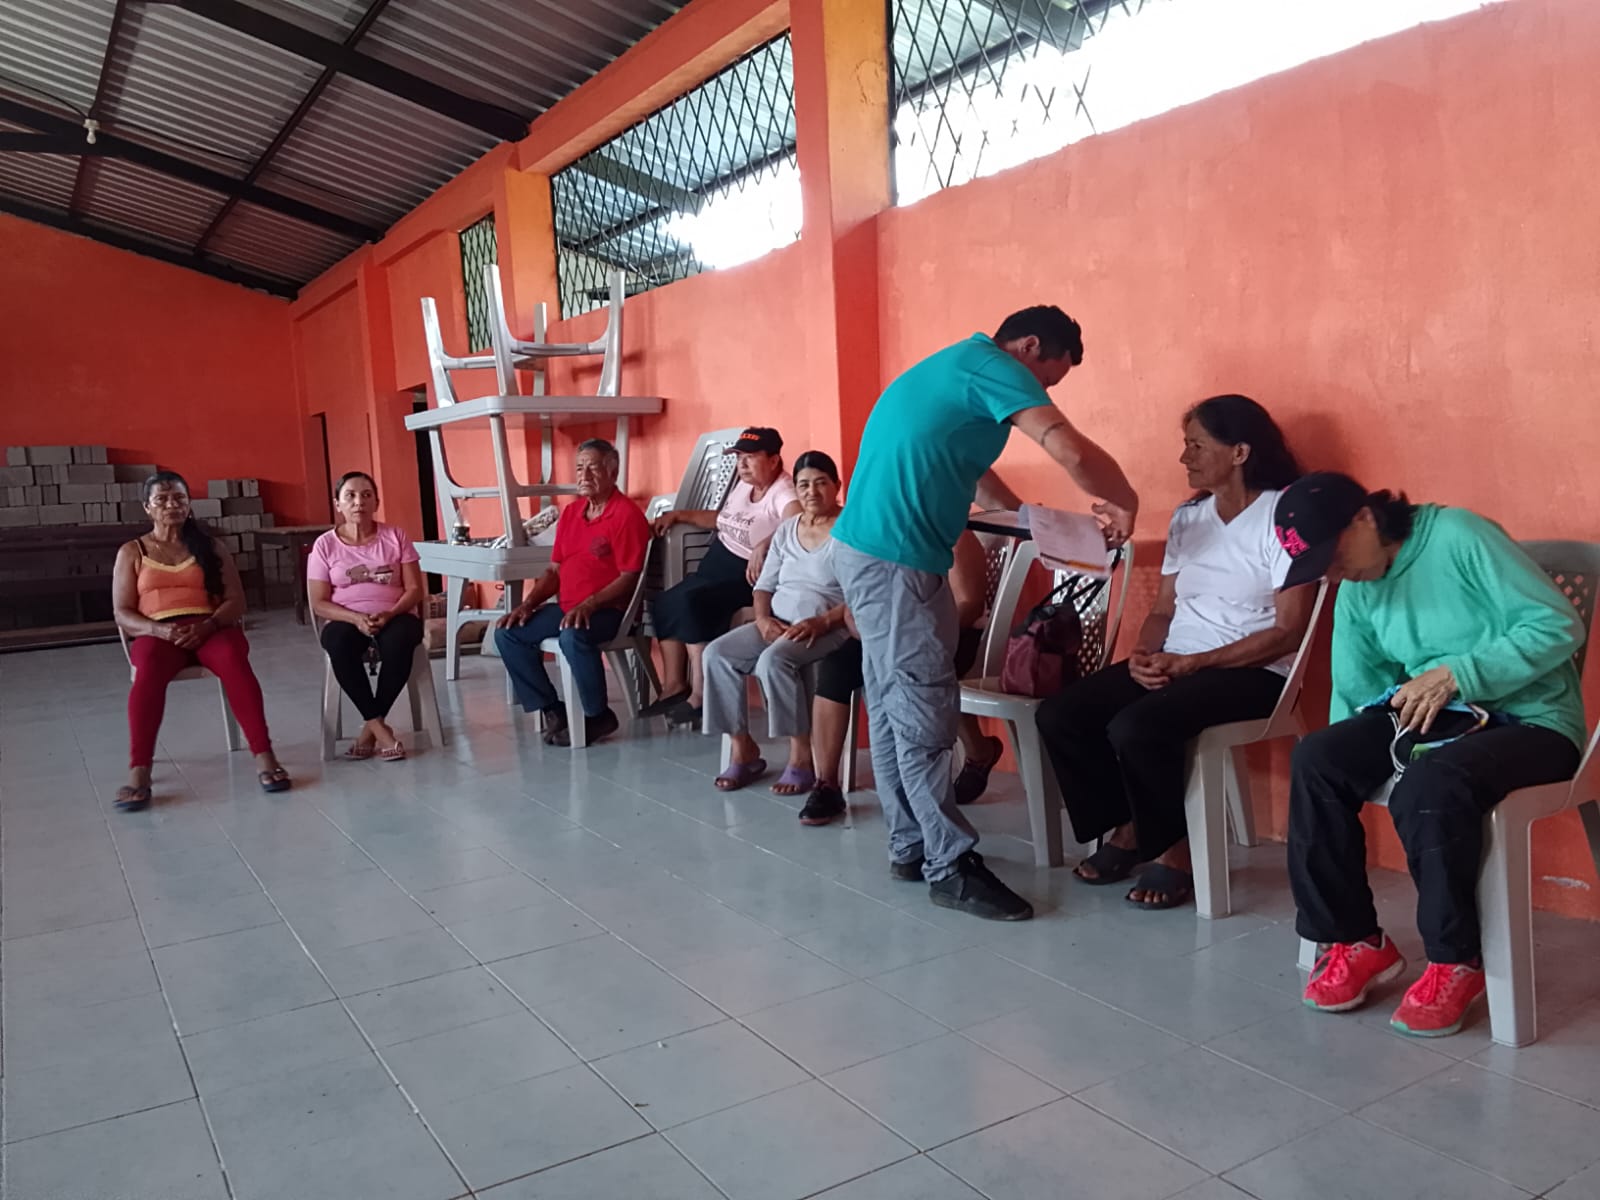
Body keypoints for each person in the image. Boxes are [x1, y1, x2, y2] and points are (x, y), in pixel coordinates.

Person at [831, 305, 1139, 920]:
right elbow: (1070, 450)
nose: (1041, 393)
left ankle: (912, 845)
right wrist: (1126, 500)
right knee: (922, 712)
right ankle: (949, 865)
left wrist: (1034, 522)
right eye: (1047, 379)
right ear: (1029, 347)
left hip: (874, 553)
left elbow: (972, 474)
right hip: (895, 562)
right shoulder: (992, 365)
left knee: (893, 706)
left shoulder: (954, 367)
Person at [1276, 472, 1585, 1037]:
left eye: (1334, 556)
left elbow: (1557, 624)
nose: (1334, 574)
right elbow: (1355, 692)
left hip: (1534, 721)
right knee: (1318, 759)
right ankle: (1354, 938)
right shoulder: (1358, 588)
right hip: (1440, 719)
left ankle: (1455, 960)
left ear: (1364, 518)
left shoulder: (1458, 537)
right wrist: (1353, 757)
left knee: (1430, 783)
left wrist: (1458, 674)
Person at [1036, 395, 1315, 909]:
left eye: (1197, 446)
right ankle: (1130, 826)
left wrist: (1194, 663)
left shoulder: (1287, 515)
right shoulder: (1190, 517)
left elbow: (1287, 631)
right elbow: (1164, 609)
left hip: (1253, 669)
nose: (1184, 458)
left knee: (1137, 726)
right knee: (1062, 714)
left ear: (1240, 452)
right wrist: (1145, 653)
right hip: (1179, 660)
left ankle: (1173, 852)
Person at [111, 471, 289, 809]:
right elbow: (122, 612)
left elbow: (236, 600)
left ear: (189, 504)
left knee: (234, 659)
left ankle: (265, 756)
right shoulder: (132, 551)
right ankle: (140, 770)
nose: (171, 505)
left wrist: (209, 625)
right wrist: (160, 631)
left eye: (179, 498)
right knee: (147, 668)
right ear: (147, 507)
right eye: (161, 499)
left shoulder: (211, 547)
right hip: (158, 633)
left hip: (211, 628)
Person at [805, 529, 998, 827]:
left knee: (916, 673)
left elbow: (969, 605)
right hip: (889, 632)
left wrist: (918, 637)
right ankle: (826, 783)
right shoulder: (882, 535)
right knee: (836, 668)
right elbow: (857, 601)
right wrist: (865, 628)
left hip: (949, 632)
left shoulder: (956, 537)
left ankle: (934, 802)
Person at [702, 451, 850, 793]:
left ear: (837, 486)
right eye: (803, 485)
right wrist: (763, 619)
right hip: (777, 622)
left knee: (774, 660)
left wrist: (822, 622)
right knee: (716, 655)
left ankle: (801, 755)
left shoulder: (850, 531)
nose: (812, 492)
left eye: (821, 483)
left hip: (827, 626)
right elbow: (764, 586)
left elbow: (861, 593)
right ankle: (743, 749)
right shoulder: (786, 530)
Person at [494, 439, 651, 747]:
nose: (584, 476)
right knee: (508, 633)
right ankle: (554, 710)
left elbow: (630, 577)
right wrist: (528, 604)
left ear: (613, 471)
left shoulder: (626, 515)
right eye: (579, 468)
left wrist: (590, 604)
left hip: (611, 612)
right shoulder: (571, 513)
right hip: (568, 607)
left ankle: (598, 715)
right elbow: (554, 571)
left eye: (593, 467)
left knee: (572, 635)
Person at [643, 427, 800, 726]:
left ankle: (701, 694)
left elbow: (798, 522)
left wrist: (766, 544)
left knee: (691, 602)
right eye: (739, 457)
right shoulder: (744, 486)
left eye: (750, 457)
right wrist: (679, 514)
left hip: (746, 576)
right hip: (716, 564)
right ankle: (674, 685)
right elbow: (722, 520)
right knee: (665, 600)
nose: (742, 464)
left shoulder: (783, 491)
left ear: (774, 460)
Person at [307, 471, 426, 761]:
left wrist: (391, 613)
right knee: (338, 643)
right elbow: (319, 602)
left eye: (366, 495)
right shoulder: (324, 545)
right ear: (338, 504)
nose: (359, 502)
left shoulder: (396, 536)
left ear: (376, 502)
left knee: (401, 640)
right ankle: (380, 729)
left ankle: (369, 732)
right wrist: (356, 619)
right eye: (350, 496)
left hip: (395, 614)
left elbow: (415, 589)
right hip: (345, 618)